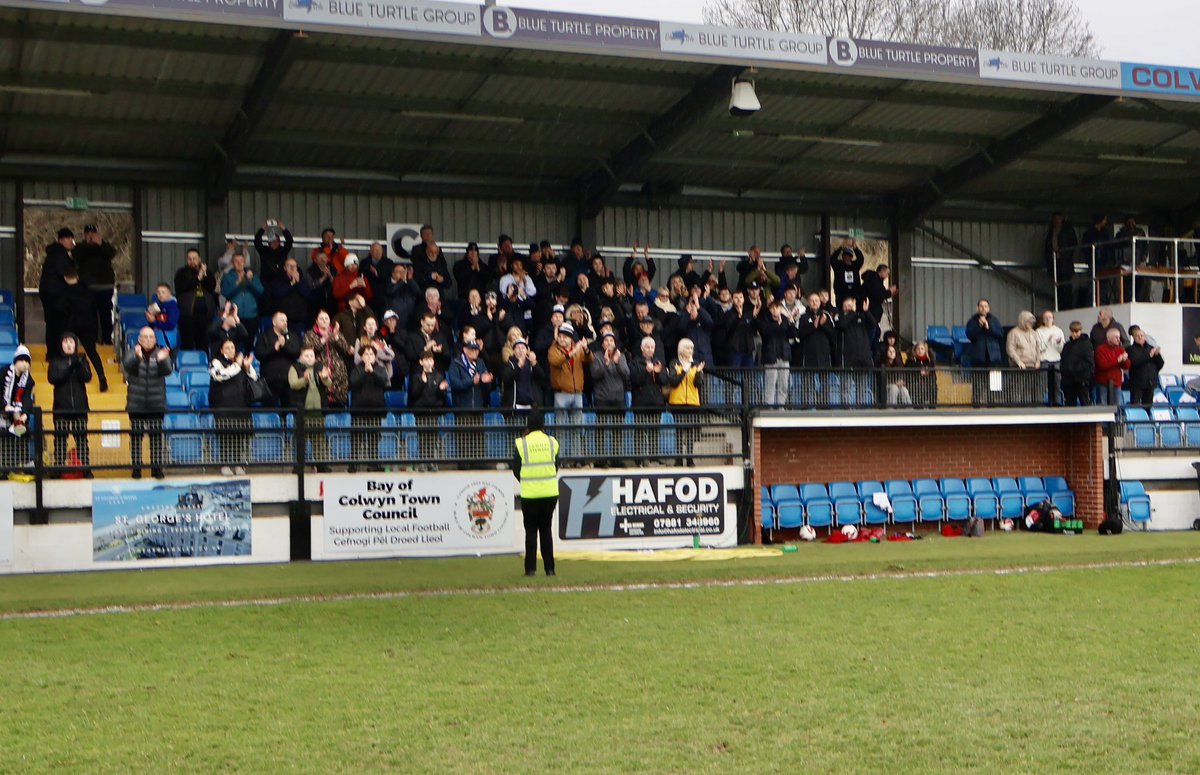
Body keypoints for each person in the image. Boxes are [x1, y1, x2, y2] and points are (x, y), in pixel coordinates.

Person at [513, 410, 560, 577]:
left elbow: (515, 470)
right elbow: (556, 465)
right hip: (550, 493)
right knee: (546, 530)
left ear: (528, 425)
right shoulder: (552, 442)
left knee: (531, 531)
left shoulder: (521, 443)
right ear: (543, 425)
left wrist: (527, 480)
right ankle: (550, 569)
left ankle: (530, 569)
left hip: (530, 494)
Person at [124, 327, 172, 479]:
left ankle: (156, 469)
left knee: (156, 439)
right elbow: (128, 367)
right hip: (136, 403)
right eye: (145, 337)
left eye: (151, 337)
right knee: (136, 438)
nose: (148, 340)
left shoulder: (161, 353)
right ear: (139, 339)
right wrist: (137, 357)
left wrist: (161, 360)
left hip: (156, 403)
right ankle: (136, 468)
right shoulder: (132, 352)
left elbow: (168, 370)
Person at [208, 339, 256, 476]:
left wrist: (246, 367)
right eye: (227, 348)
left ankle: (238, 463)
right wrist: (237, 365)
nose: (231, 350)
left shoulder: (241, 363)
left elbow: (254, 377)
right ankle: (225, 464)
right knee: (225, 436)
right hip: (223, 405)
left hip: (241, 404)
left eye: (233, 347)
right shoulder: (216, 362)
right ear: (222, 350)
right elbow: (219, 376)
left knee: (240, 436)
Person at [48, 333, 93, 476]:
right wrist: (70, 366)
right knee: (60, 440)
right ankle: (58, 469)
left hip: (80, 407)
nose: (68, 345)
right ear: (61, 344)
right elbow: (53, 378)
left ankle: (86, 469)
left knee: (81, 440)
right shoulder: (55, 361)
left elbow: (87, 377)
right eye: (66, 342)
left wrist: (79, 364)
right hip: (61, 407)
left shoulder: (82, 359)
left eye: (71, 342)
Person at [59, 270, 108, 391]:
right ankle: (102, 378)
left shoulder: (65, 292)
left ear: (66, 278)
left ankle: (68, 378)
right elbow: (94, 309)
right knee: (92, 353)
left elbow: (61, 308)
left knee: (68, 352)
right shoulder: (88, 291)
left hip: (72, 326)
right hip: (88, 326)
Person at [72, 224, 117, 345]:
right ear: (84, 235)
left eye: (93, 233)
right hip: (87, 287)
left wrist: (100, 243)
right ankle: (92, 340)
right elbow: (76, 255)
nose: (91, 236)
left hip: (105, 286)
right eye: (88, 234)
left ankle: (107, 339)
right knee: (89, 315)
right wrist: (87, 243)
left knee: (105, 314)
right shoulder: (80, 247)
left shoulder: (104, 246)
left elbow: (112, 253)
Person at [288, 346, 331, 471]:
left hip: (318, 412)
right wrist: (304, 380)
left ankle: (321, 465)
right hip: (302, 412)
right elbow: (293, 384)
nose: (309, 358)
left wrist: (324, 378)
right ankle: (299, 466)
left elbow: (329, 384)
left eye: (311, 355)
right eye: (306, 355)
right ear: (301, 357)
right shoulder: (295, 367)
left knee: (319, 442)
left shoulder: (319, 368)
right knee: (300, 442)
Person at [348, 343, 389, 472]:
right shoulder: (356, 369)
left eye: (371, 354)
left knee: (374, 438)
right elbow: (353, 383)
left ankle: (373, 464)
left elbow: (384, 382)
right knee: (357, 438)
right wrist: (365, 373)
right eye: (366, 354)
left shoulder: (380, 369)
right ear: (361, 356)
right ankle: (353, 464)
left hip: (375, 409)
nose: (369, 356)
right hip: (359, 408)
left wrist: (372, 373)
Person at [302, 310, 353, 408]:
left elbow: (346, 349)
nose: (324, 320)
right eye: (321, 318)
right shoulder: (310, 334)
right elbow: (308, 350)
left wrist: (336, 337)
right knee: (322, 403)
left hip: (338, 373)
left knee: (338, 406)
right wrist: (323, 339)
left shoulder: (336, 333)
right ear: (316, 321)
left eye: (326, 318)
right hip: (320, 373)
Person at [39, 228, 76, 352]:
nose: (72, 241)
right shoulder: (61, 255)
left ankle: (52, 352)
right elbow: (68, 276)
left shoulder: (52, 254)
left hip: (49, 295)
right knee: (60, 326)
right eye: (69, 238)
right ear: (61, 240)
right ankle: (58, 353)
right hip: (58, 297)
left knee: (51, 325)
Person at [254, 312, 302, 406]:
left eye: (286, 320)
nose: (285, 323)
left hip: (288, 381)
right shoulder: (264, 336)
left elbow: (297, 353)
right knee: (269, 411)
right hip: (269, 381)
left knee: (288, 411)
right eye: (282, 320)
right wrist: (274, 348)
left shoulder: (292, 336)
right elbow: (258, 354)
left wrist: (284, 346)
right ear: (274, 322)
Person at [0, 345, 34, 473]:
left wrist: (24, 414)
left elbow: (27, 398)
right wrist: (4, 407)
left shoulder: (28, 379)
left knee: (23, 432)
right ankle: (4, 469)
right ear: (16, 361)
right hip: (3, 414)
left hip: (18, 415)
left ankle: (24, 465)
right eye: (22, 360)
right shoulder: (3, 373)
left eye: (27, 361)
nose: (25, 364)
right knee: (4, 440)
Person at [175, 248, 217, 352]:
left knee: (203, 345)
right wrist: (198, 278)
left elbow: (212, 286)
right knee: (187, 345)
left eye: (194, 258)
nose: (192, 261)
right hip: (188, 316)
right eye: (189, 259)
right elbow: (183, 286)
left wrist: (204, 274)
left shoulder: (206, 272)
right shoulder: (182, 273)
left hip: (205, 316)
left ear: (199, 259)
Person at [965, 299, 1005, 406]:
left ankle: (992, 403)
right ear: (977, 308)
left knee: (993, 383)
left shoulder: (994, 320)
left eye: (986, 306)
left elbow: (1000, 334)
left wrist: (988, 327)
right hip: (978, 357)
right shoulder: (972, 321)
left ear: (989, 308)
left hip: (993, 357)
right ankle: (977, 403)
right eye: (981, 306)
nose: (983, 308)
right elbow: (969, 335)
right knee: (978, 381)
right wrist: (979, 326)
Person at [220, 252, 265, 342]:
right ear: (232, 263)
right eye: (236, 261)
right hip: (234, 315)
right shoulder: (227, 277)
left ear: (245, 263)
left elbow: (261, 291)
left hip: (251, 315)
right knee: (234, 341)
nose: (239, 263)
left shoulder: (252, 276)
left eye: (241, 261)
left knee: (250, 341)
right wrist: (237, 282)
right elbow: (225, 293)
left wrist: (251, 281)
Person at [758, 299, 793, 407]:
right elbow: (766, 332)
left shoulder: (786, 321)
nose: (775, 310)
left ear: (781, 309)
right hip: (770, 356)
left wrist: (791, 322)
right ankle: (769, 406)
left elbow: (793, 334)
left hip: (784, 356)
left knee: (783, 385)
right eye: (772, 308)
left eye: (777, 308)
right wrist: (779, 325)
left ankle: (781, 406)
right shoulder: (765, 321)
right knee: (770, 384)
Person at [1044, 212, 1079, 308]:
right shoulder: (1051, 231)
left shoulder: (1067, 230)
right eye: (1054, 219)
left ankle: (1068, 305)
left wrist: (1064, 253)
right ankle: (1060, 305)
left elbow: (1073, 244)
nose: (1056, 221)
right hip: (1055, 263)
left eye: (1058, 219)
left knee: (1066, 285)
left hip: (1065, 263)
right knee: (1058, 286)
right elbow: (1047, 246)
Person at [1007, 310, 1041, 404]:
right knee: (1017, 389)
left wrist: (1038, 360)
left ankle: (1028, 408)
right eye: (1028, 322)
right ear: (1023, 321)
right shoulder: (1013, 333)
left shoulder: (1034, 333)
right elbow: (1010, 349)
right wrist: (1018, 361)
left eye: (1032, 323)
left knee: (1029, 389)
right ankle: (1016, 408)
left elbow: (1038, 348)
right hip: (1019, 367)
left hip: (1032, 366)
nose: (1031, 324)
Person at [448, 340, 494, 409]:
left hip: (479, 407)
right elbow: (455, 384)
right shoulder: (456, 363)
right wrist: (472, 381)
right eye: (472, 350)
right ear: (465, 350)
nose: (475, 352)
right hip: (461, 409)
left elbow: (487, 387)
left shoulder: (480, 363)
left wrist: (487, 380)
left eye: (476, 350)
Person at [1125, 326, 1164, 407]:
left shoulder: (1151, 348)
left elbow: (1160, 364)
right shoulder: (1130, 349)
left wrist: (1157, 356)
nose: (1140, 337)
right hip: (1137, 384)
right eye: (1137, 336)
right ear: (1133, 338)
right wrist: (1149, 355)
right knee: (1135, 407)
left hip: (1150, 383)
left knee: (1148, 407)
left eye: (1142, 335)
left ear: (1145, 337)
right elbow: (1135, 362)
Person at [501, 338, 543, 410]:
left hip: (531, 406)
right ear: (513, 351)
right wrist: (518, 366)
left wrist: (534, 363)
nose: (521, 350)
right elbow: (507, 379)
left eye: (523, 348)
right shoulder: (509, 364)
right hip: (515, 406)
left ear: (527, 350)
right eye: (518, 348)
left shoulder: (531, 364)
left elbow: (541, 378)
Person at [1060, 321, 1094, 407]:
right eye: (1072, 331)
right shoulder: (1067, 345)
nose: (1074, 334)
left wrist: (1074, 369)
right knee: (1070, 404)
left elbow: (1089, 362)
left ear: (1080, 331)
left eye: (1077, 331)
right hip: (1069, 380)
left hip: (1081, 379)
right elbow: (1064, 359)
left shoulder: (1086, 344)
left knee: (1084, 402)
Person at [253, 219, 293, 288]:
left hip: (281, 281)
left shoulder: (283, 250)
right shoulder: (264, 250)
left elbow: (290, 240)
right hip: (265, 282)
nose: (274, 242)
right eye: (272, 240)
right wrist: (263, 228)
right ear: (269, 241)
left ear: (279, 241)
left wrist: (282, 228)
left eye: (277, 240)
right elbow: (256, 240)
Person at [1037, 310, 1065, 406]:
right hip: (1044, 360)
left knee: (1057, 383)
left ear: (1053, 319)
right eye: (1046, 317)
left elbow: (1061, 349)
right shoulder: (1039, 331)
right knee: (1042, 383)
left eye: (1050, 317)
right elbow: (1039, 348)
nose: (1048, 319)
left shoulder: (1058, 330)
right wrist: (1048, 341)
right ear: (1043, 320)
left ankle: (1056, 403)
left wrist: (1058, 343)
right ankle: (1039, 402)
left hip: (1056, 360)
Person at [1093, 327, 1128, 406]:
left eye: (1119, 337)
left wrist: (1125, 360)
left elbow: (1126, 366)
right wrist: (1117, 360)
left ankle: (1116, 418)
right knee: (1102, 405)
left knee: (1117, 405)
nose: (1118, 339)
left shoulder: (1120, 349)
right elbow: (1102, 365)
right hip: (1103, 382)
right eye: (1116, 337)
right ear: (1108, 338)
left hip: (1116, 382)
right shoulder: (1100, 349)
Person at [146, 283, 181, 348]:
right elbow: (153, 325)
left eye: (163, 292)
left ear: (169, 293)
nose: (160, 295)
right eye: (158, 292)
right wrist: (150, 319)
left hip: (169, 343)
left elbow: (171, 325)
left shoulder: (173, 307)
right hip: (158, 340)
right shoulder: (158, 305)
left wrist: (154, 321)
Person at [831, 242, 865, 307]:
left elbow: (861, 259)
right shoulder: (838, 265)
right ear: (842, 257)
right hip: (841, 293)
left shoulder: (855, 265)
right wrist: (840, 248)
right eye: (845, 256)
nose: (847, 258)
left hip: (854, 292)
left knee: (854, 310)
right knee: (841, 310)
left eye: (849, 256)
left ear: (851, 257)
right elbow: (832, 259)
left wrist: (855, 249)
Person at [909, 341, 937, 408]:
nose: (920, 351)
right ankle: (918, 407)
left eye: (922, 349)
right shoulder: (910, 361)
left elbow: (933, 375)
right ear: (915, 351)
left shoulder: (930, 361)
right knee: (917, 386)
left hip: (927, 382)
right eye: (918, 349)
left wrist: (926, 373)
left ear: (925, 350)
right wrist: (920, 371)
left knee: (933, 386)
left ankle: (932, 407)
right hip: (915, 382)